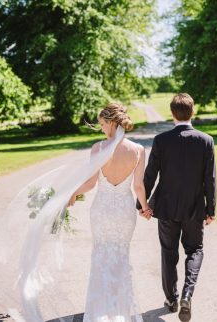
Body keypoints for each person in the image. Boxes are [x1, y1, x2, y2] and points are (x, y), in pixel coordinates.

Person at [68, 103, 152, 322]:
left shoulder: (98, 149)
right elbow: (138, 187)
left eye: (103, 124)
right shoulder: (138, 150)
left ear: (113, 122)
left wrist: (72, 193)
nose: (102, 128)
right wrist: (145, 207)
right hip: (124, 212)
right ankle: (119, 311)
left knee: (101, 257)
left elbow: (90, 183)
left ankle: (99, 312)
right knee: (121, 258)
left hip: (102, 211)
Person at [137, 93, 217, 322]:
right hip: (194, 208)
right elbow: (209, 179)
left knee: (168, 252)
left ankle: (171, 299)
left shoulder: (161, 140)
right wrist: (211, 209)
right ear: (193, 112)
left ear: (172, 114)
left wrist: (142, 205)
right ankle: (187, 294)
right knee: (195, 250)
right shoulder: (205, 140)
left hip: (167, 207)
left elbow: (150, 175)